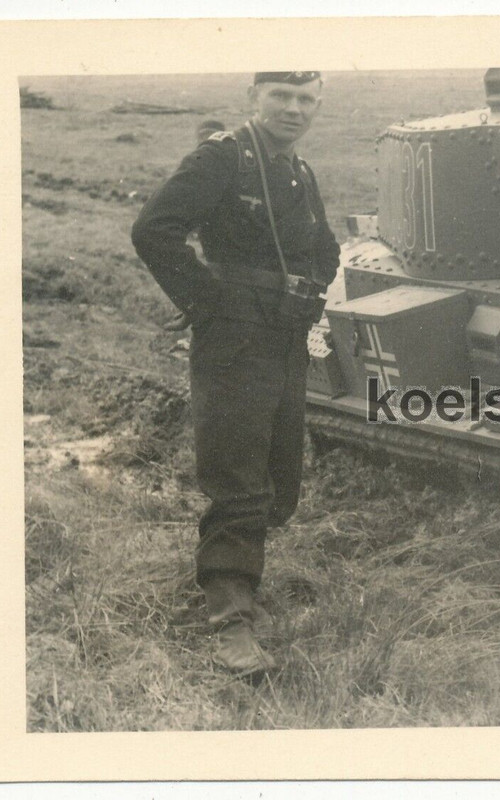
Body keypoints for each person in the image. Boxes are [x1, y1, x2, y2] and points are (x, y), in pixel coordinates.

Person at [132, 71, 339, 674]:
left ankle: (242, 579)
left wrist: (310, 292)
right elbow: (153, 229)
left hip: (285, 334)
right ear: (255, 99)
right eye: (282, 96)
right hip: (234, 336)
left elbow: (323, 247)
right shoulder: (225, 158)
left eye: (306, 100)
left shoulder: (299, 171)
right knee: (239, 474)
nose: (294, 109)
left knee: (279, 473)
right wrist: (206, 302)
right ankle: (230, 618)